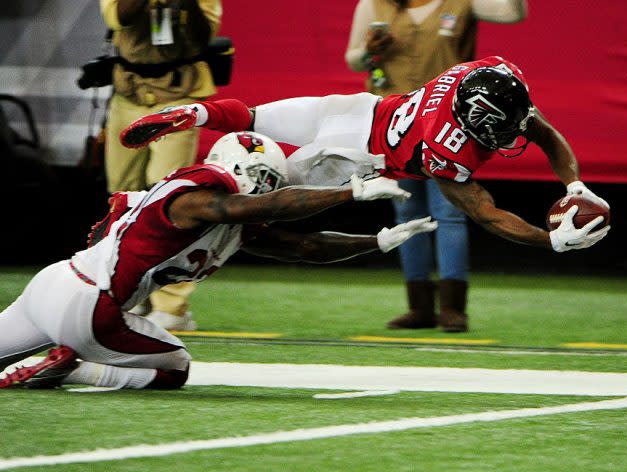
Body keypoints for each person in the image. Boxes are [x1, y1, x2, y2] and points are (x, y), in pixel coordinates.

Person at [120, 55, 611, 324]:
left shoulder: (483, 77)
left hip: (358, 107)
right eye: (497, 134)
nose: (509, 140)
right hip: (350, 154)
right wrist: (549, 241)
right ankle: (161, 261)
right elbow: (485, 213)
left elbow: (540, 129)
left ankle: (195, 116)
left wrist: (576, 184)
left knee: (252, 115)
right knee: (256, 209)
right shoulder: (447, 146)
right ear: (470, 123)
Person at [0, 132, 436, 390]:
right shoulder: (198, 191)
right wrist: (350, 192)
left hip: (55, 284)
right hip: (92, 306)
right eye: (263, 180)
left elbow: (305, 247)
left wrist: (377, 241)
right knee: (175, 369)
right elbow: (259, 208)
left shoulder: (226, 217)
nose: (264, 190)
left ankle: (57, 358)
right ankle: (71, 368)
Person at [344, 0, 528, 332]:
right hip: (393, 125)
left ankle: (453, 308)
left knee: (450, 213)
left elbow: (514, 13)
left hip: (449, 124)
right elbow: (354, 59)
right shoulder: (374, 5)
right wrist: (369, 52)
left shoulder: (460, 2)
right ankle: (420, 307)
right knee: (406, 213)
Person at [101, 0, 223, 331]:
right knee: (122, 197)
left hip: (177, 96)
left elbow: (203, 36)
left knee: (166, 196)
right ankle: (127, 293)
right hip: (129, 95)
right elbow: (120, 17)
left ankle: (173, 306)